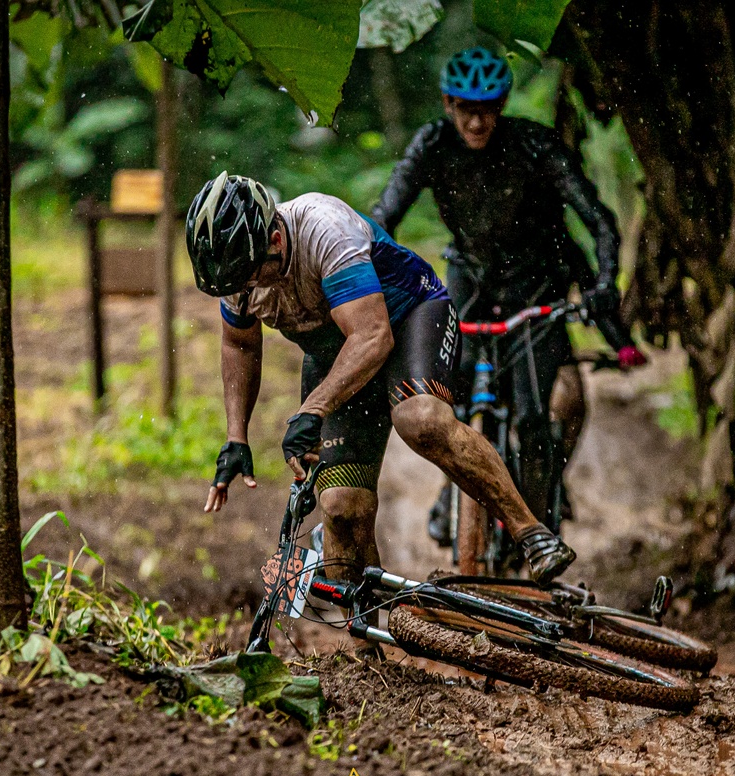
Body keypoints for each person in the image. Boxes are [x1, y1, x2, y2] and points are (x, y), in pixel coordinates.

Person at [190, 171, 576, 584]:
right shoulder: (237, 269)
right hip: (336, 350)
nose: (246, 290)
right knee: (340, 507)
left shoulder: (325, 230)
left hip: (407, 319)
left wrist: (313, 409)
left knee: (421, 420)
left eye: (250, 277)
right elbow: (239, 345)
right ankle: (365, 624)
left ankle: (531, 533)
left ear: (275, 240)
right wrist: (236, 437)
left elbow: (373, 336)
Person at [370, 45, 646, 544]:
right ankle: (453, 491)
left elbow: (599, 219)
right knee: (443, 400)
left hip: (533, 285)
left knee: (536, 417)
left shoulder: (534, 145)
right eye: (466, 109)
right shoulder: (432, 144)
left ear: (502, 106)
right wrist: (369, 275)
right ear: (448, 105)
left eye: (488, 109)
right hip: (468, 278)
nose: (477, 122)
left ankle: (538, 520)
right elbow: (384, 217)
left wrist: (606, 285)